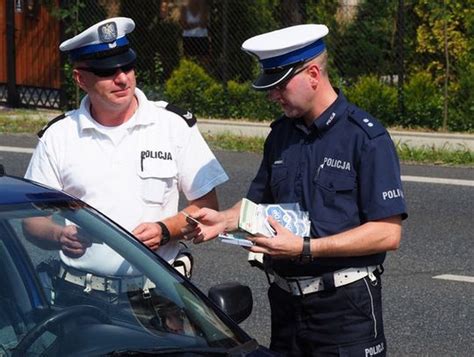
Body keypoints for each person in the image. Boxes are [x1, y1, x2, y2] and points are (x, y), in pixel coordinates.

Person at [191, 24, 407, 356]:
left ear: (314, 74)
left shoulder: (365, 138)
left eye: (280, 86)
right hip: (286, 306)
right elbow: (257, 203)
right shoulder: (281, 136)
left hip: (344, 310)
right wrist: (224, 220)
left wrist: (305, 248)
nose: (272, 95)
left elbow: (386, 233)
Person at [24, 17, 228, 296]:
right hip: (80, 296)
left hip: (157, 295)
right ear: (81, 79)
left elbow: (207, 206)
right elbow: (32, 221)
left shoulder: (172, 126)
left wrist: (165, 230)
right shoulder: (59, 136)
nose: (122, 78)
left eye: (127, 66)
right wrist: (59, 235)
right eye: (106, 71)